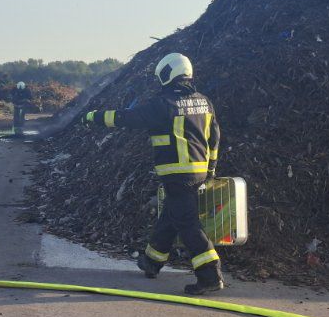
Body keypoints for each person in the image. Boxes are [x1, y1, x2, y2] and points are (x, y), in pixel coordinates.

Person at [83, 52, 225, 295]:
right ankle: (152, 261)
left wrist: (93, 116)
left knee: (188, 225)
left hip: (177, 174)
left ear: (168, 73)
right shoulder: (204, 101)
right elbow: (215, 138)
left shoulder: (163, 104)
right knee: (171, 217)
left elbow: (127, 118)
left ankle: (210, 275)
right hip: (198, 172)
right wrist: (210, 168)